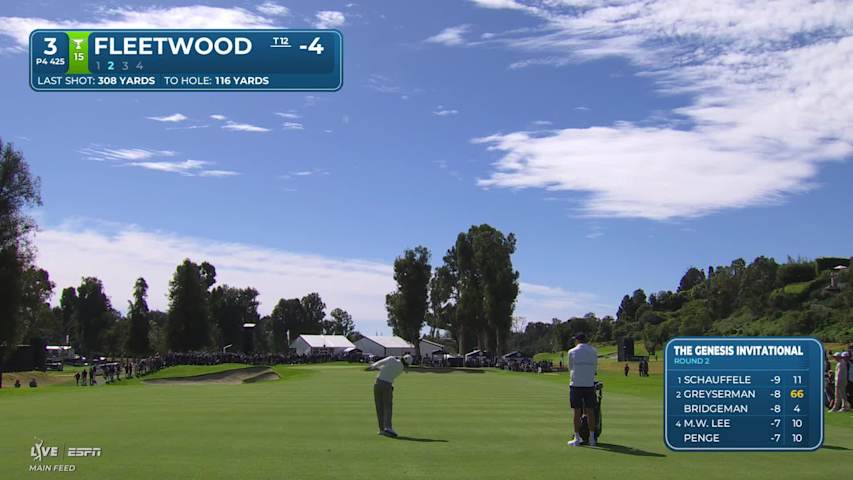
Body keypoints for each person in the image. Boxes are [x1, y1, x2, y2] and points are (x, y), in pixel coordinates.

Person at [366, 354, 411, 437]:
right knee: (387, 406)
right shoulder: (401, 369)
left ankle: (381, 429)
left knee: (379, 406)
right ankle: (388, 428)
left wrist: (372, 366)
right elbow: (387, 369)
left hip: (377, 383)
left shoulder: (391, 359)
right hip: (387, 385)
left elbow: (379, 364)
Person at [568, 333, 598, 447]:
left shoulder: (572, 351)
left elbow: (570, 368)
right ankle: (591, 438)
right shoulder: (593, 351)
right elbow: (595, 367)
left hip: (576, 384)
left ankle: (577, 438)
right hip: (589, 384)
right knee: (590, 411)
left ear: (577, 340)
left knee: (577, 411)